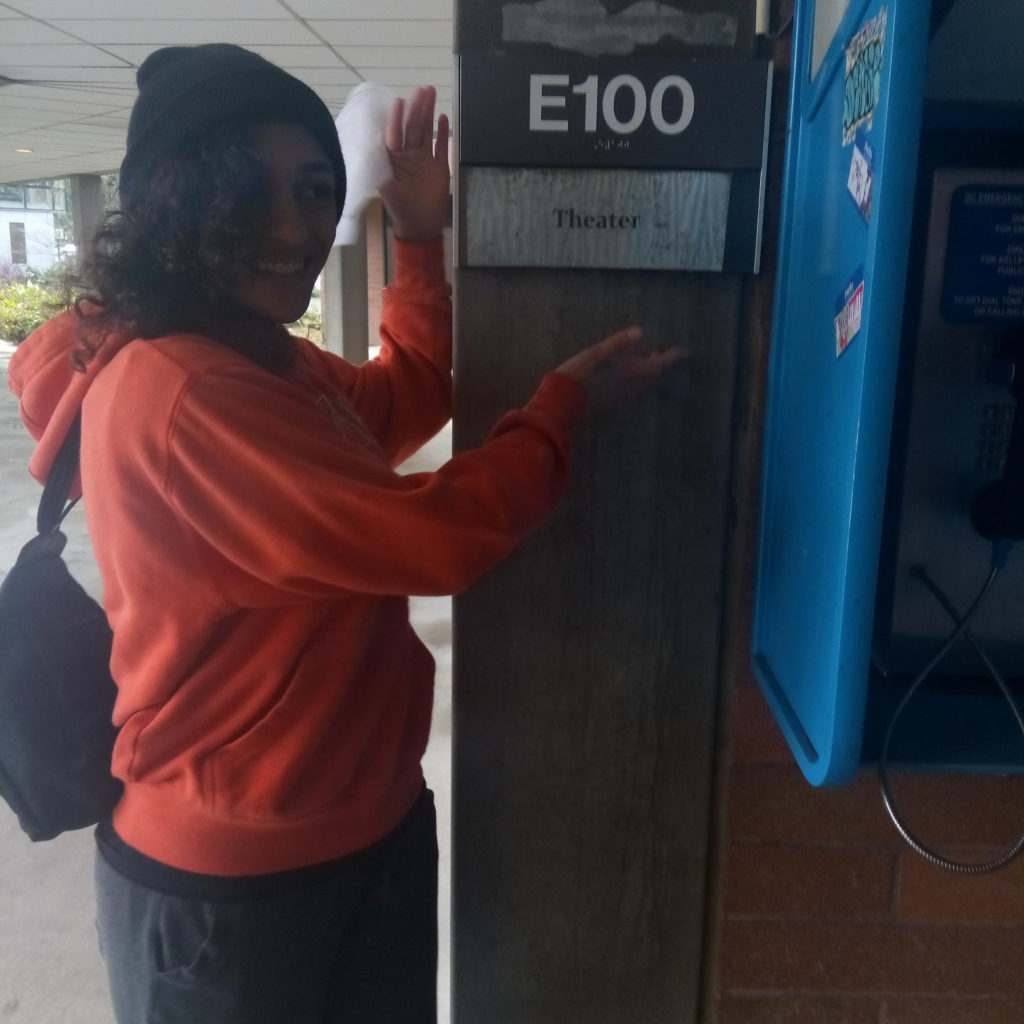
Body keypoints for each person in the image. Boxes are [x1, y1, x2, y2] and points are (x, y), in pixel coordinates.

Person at [8, 43, 684, 1024]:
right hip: (231, 882)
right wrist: (558, 411)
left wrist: (417, 236)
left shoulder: (268, 364)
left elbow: (404, 393)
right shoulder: (183, 389)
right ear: (172, 205)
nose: (295, 225)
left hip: (360, 831)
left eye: (317, 190)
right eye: (250, 192)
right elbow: (434, 537)